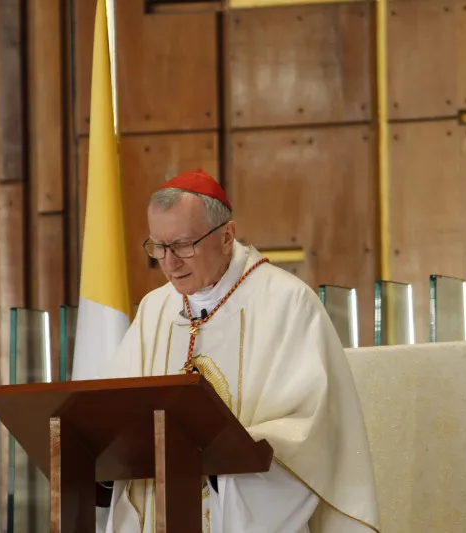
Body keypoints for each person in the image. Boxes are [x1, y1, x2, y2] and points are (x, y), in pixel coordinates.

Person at [96, 169, 380, 533]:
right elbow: (113, 412)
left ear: (227, 236)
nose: (170, 262)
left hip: (246, 510)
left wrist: (219, 466)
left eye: (183, 245)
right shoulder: (155, 309)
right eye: (158, 247)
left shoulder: (286, 303)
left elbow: (311, 434)